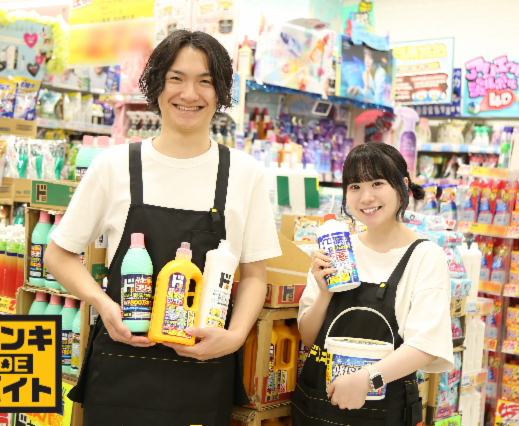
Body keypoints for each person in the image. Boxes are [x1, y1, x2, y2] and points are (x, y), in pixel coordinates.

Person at [45, 30, 282, 426]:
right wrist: (102, 304)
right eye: (176, 78)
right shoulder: (114, 166)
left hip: (203, 371)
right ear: (156, 85)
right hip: (122, 367)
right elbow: (58, 255)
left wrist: (235, 336)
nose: (190, 93)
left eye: (205, 81)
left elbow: (255, 274)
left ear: (221, 92)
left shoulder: (245, 174)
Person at [293, 142, 454, 426]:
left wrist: (368, 380)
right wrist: (324, 293)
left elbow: (426, 345)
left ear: (403, 186)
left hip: (383, 410)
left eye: (377, 183)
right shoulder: (336, 249)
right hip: (318, 406)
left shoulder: (425, 256)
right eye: (355, 186)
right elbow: (309, 338)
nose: (366, 197)